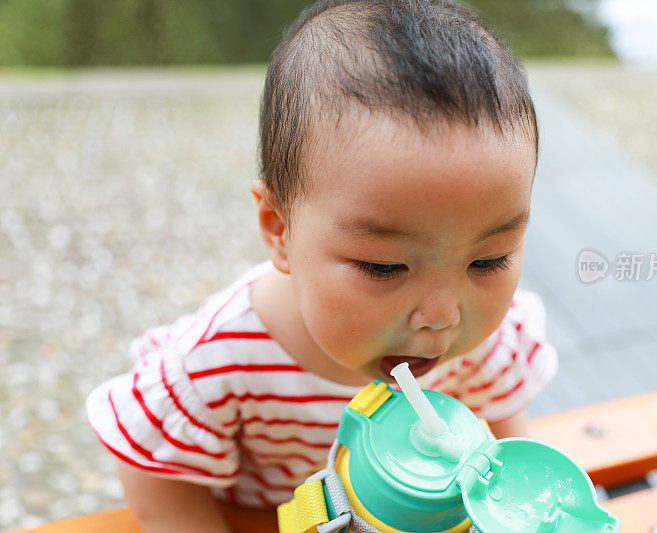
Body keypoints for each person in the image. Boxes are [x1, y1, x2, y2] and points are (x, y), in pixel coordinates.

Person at [85, 0, 558, 530]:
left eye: (489, 260)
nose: (442, 315)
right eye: (384, 268)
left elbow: (506, 439)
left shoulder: (481, 342)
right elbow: (154, 470)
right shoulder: (223, 362)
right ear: (280, 229)